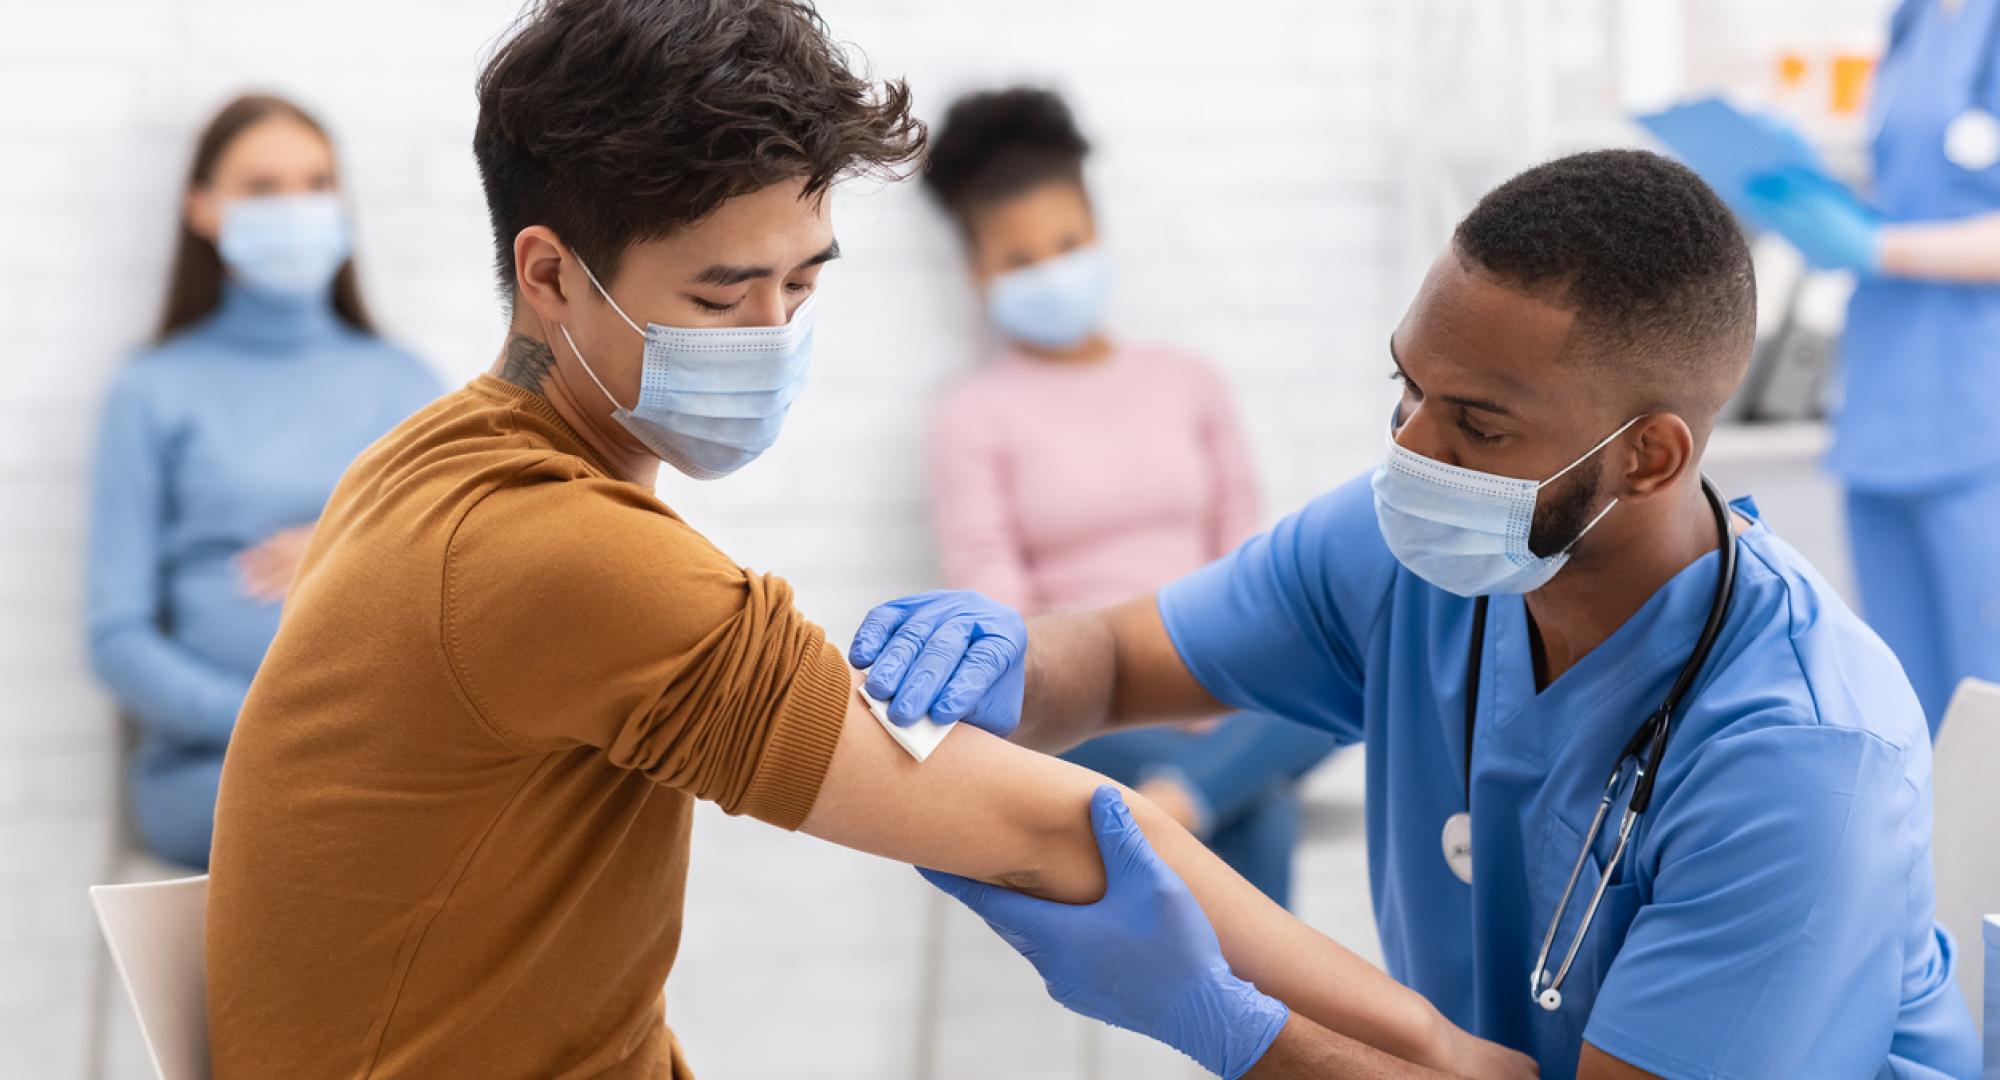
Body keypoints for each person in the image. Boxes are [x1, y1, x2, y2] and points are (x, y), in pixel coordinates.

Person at [202, 3, 1534, 1078]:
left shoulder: (429, 458)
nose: (775, 336)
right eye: (724, 293)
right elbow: (1061, 824)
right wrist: (1424, 1051)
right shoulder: (561, 554)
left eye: (802, 281)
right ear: (550, 275)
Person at [858, 150, 1982, 1079]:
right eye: (1405, 388)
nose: (1409, 450)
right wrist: (1008, 663)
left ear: (1647, 456)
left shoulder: (1800, 756)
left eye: (1477, 427)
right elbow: (1107, 662)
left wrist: (1235, 1028)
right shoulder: (1405, 551)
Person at [921, 86, 1337, 905]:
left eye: (1068, 243)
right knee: (1262, 807)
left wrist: (1211, 682)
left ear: (1099, 233)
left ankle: (1176, 808)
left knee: (1345, 671)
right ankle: (1214, 810)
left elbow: (1245, 560)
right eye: (1020, 259)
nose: (1051, 271)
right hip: (1080, 709)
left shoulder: (1190, 382)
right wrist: (1132, 691)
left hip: (1218, 670)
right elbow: (999, 610)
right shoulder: (971, 418)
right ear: (979, 272)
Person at [84, 93, 440, 869]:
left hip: (386, 751)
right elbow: (117, 637)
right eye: (263, 188)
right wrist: (265, 720)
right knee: (345, 830)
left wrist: (347, 541)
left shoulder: (410, 386)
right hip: (211, 768)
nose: (297, 208)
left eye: (316, 183)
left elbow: (465, 582)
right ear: (203, 210)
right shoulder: (153, 390)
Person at [1734, 0, 2000, 733]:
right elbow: (1907, 193)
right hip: (1886, 411)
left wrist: (1879, 249)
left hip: (1980, 417)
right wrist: (1811, 197)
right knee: (1907, 710)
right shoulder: (1913, 21)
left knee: (1989, 705)